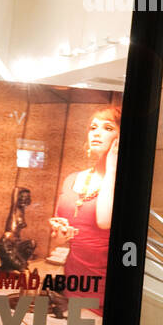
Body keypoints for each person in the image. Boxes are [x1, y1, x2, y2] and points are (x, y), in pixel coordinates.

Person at [50, 106, 119, 314]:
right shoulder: (72, 179)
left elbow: (105, 221)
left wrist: (113, 167)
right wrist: (60, 234)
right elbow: (58, 239)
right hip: (73, 282)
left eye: (107, 128)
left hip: (105, 289)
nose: (96, 133)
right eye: (93, 127)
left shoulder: (122, 181)